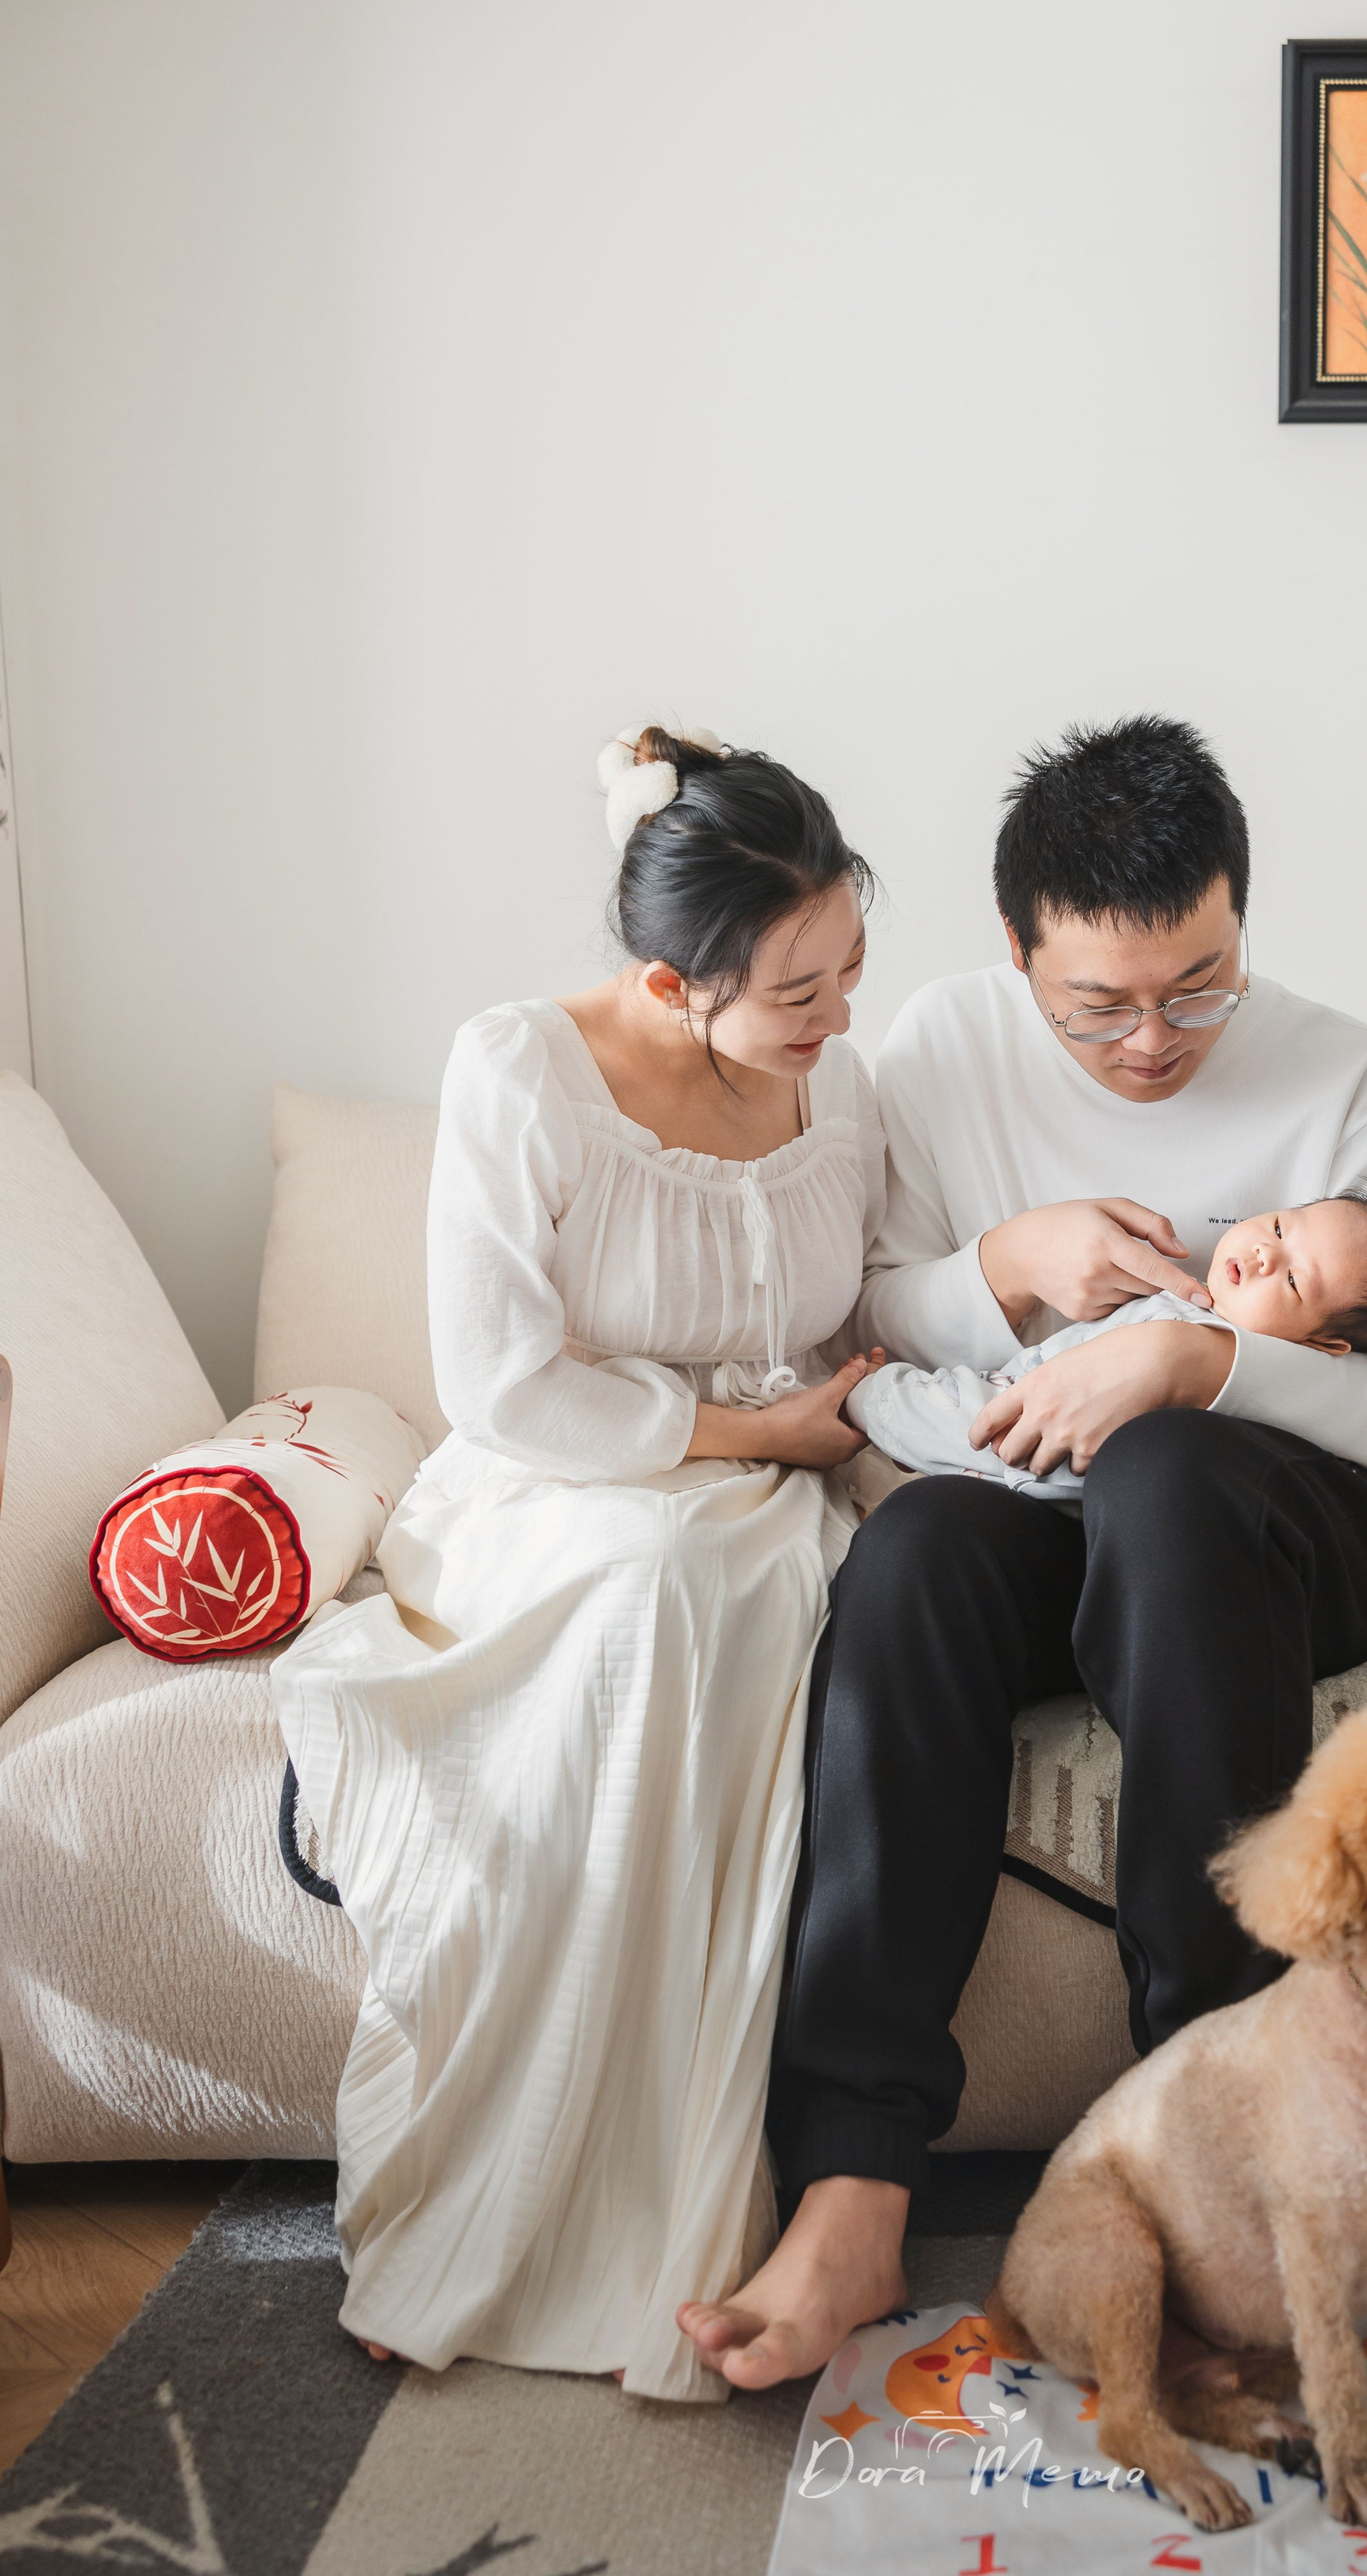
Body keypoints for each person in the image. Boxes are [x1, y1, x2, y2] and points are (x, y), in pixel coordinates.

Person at [678, 713, 1367, 2390]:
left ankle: (1224, 2160)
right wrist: (1005, 1264)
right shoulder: (943, 1046)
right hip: (1060, 1513)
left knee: (1172, 1473)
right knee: (907, 1569)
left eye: (1197, 985)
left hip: (1304, 1528)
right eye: (1097, 1006)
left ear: (1237, 922)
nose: (1150, 1040)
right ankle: (853, 2179)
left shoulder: (1351, 1080)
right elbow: (873, 1300)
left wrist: (1195, 1361)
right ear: (1015, 952)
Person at [273, 722, 884, 2399]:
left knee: (777, 1593)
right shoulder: (520, 1070)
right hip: (570, 1474)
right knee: (656, 1603)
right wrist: (749, 1439)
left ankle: (686, 2202)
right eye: (796, 991)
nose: (835, 1017)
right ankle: (507, 2200)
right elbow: (501, 1382)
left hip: (776, 1484)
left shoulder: (847, 1074)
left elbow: (877, 1288)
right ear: (674, 986)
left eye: (849, 963)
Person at [848, 1183, 1367, 1504]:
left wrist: (872, 1397)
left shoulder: (1224, 1390)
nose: (1266, 1254)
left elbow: (1019, 1432)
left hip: (1002, 1452)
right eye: (1278, 1227)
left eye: (1296, 1281)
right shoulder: (1177, 1306)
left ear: (1323, 1346)